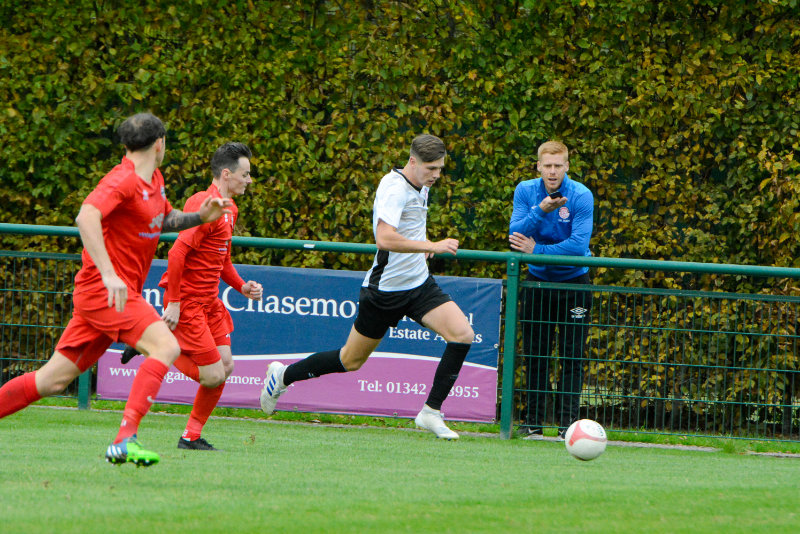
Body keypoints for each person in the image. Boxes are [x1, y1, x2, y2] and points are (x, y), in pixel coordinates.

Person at [0, 112, 232, 466]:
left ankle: (125, 438)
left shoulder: (154, 179)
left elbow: (164, 219)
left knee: (51, 381)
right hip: (104, 292)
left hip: (108, 297)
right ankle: (125, 439)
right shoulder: (121, 180)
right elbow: (86, 216)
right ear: (160, 144)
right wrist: (108, 274)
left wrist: (200, 217)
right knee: (166, 345)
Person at [258, 134, 474, 439]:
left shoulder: (421, 184)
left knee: (462, 334)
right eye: (431, 168)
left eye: (439, 168)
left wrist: (419, 248)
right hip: (384, 292)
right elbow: (384, 238)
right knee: (350, 360)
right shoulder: (394, 188)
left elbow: (407, 229)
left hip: (419, 285)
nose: (436, 174)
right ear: (412, 162)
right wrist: (431, 245)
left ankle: (430, 412)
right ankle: (283, 375)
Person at [120, 142, 262, 451]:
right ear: (227, 174)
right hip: (189, 304)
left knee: (225, 366)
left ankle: (191, 436)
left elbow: (220, 259)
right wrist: (174, 302)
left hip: (210, 302)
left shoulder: (229, 208)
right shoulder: (204, 205)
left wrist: (241, 287)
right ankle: (152, 345)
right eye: (246, 174)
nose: (249, 180)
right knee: (211, 376)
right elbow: (176, 252)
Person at [508, 140, 594, 440]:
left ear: (567, 166)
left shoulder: (581, 195)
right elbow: (515, 233)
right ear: (539, 167)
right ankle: (532, 425)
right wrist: (541, 210)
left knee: (572, 357)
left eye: (559, 165)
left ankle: (567, 427)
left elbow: (578, 246)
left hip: (574, 284)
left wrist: (537, 250)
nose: (553, 171)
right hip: (537, 283)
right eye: (548, 166)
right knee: (536, 354)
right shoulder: (526, 191)